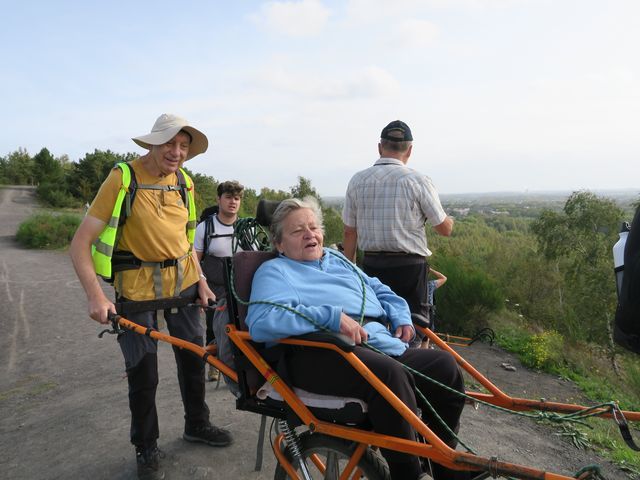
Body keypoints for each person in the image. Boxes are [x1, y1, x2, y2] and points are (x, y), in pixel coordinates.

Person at [246, 197, 470, 480]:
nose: (309, 234)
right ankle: (409, 475)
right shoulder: (275, 271)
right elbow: (261, 322)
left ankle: (444, 467)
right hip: (317, 353)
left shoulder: (337, 258)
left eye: (314, 227)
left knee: (444, 366)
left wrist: (400, 313)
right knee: (389, 375)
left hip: (374, 345)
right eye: (297, 230)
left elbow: (378, 288)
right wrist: (332, 317)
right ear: (279, 243)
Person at [69, 114, 232, 480]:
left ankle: (197, 424)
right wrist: (96, 297)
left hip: (185, 285)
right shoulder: (122, 178)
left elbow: (187, 241)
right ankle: (146, 445)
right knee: (143, 372)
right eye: (170, 144)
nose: (176, 153)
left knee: (193, 360)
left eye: (183, 147)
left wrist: (202, 281)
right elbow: (80, 244)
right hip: (137, 290)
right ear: (151, 144)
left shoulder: (185, 184)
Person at [342, 120, 454, 342]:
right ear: (410, 150)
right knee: (412, 328)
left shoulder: (357, 181)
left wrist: (351, 273)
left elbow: (349, 233)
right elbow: (444, 229)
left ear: (380, 147)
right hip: (410, 270)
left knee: (376, 325)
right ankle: (412, 369)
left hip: (372, 267)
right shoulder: (419, 181)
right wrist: (449, 219)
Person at [194, 180, 245, 383]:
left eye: (237, 198)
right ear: (218, 199)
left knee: (240, 327)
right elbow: (194, 259)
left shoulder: (245, 228)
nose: (233, 202)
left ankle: (240, 366)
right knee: (213, 327)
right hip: (214, 286)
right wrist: (201, 285)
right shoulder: (205, 228)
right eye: (228, 197)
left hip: (239, 285)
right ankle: (214, 366)